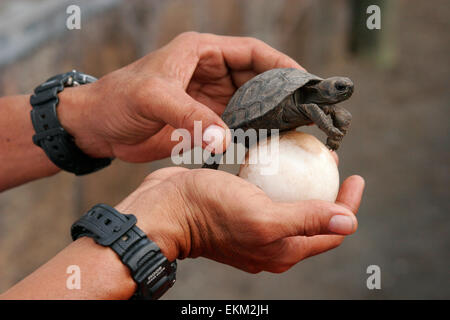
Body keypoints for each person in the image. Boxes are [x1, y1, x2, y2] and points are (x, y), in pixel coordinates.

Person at [0, 32, 364, 299]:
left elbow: (335, 119)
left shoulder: (320, 102)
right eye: (338, 89)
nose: (341, 94)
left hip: (268, 128)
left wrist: (88, 112)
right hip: (253, 119)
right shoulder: (309, 106)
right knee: (224, 144)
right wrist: (173, 223)